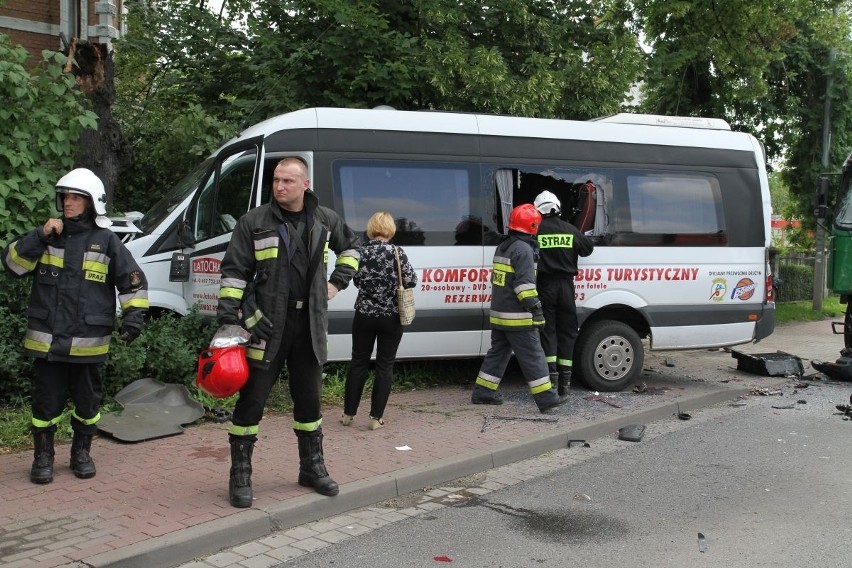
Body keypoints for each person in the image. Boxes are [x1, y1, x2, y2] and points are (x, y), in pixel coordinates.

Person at [215, 157, 361, 508]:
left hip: (309, 325)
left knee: (309, 401)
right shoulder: (254, 222)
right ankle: (240, 475)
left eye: (287, 181)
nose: (280, 187)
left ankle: (312, 468)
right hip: (266, 325)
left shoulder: (325, 219)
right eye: (276, 181)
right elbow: (234, 272)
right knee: (251, 403)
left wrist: (337, 282)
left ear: (304, 184)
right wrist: (229, 319)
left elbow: (353, 247)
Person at [1, 168, 149, 484]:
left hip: (88, 343)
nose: (68, 203)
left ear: (91, 202)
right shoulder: (45, 237)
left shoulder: (106, 241)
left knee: (88, 404)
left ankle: (81, 453)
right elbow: (13, 265)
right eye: (65, 196)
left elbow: (132, 281)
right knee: (45, 404)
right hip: (48, 344)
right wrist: (39, 236)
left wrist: (134, 317)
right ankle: (43, 458)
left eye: (75, 197)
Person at [470, 203, 565, 413]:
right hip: (518, 316)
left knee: (498, 353)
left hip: (500, 314)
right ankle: (548, 399)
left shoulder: (504, 246)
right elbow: (524, 287)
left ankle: (483, 392)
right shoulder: (523, 250)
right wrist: (536, 310)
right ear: (532, 226)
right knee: (533, 355)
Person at [341, 211, 417, 431]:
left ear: (371, 228)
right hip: (391, 317)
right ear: (390, 229)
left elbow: (356, 281)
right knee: (385, 365)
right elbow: (411, 280)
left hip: (364, 315)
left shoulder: (361, 252)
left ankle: (348, 414)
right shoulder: (397, 252)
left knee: (358, 363)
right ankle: (376, 418)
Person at [533, 190, 595, 397]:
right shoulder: (570, 230)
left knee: (548, 331)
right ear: (558, 208)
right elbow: (587, 249)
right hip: (566, 288)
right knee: (568, 332)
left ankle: (551, 380)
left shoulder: (536, 231)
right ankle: (565, 385)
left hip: (544, 286)